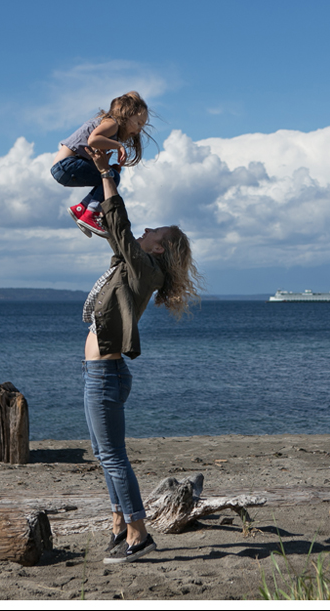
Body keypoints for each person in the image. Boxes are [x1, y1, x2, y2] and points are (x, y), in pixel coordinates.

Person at [81, 152, 202, 564]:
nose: (146, 229)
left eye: (155, 230)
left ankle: (139, 535)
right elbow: (116, 234)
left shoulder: (146, 270)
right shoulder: (135, 267)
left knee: (114, 457)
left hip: (106, 375)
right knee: (104, 456)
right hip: (98, 373)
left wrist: (104, 175)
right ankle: (119, 525)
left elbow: (119, 223)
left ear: (160, 246)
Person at [51, 91, 152, 238]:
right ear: (125, 115)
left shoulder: (107, 123)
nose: (139, 129)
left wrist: (109, 167)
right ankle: (90, 213)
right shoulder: (112, 123)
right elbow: (93, 140)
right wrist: (119, 146)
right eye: (138, 123)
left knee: (110, 176)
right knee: (112, 177)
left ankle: (81, 209)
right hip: (67, 165)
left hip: (63, 167)